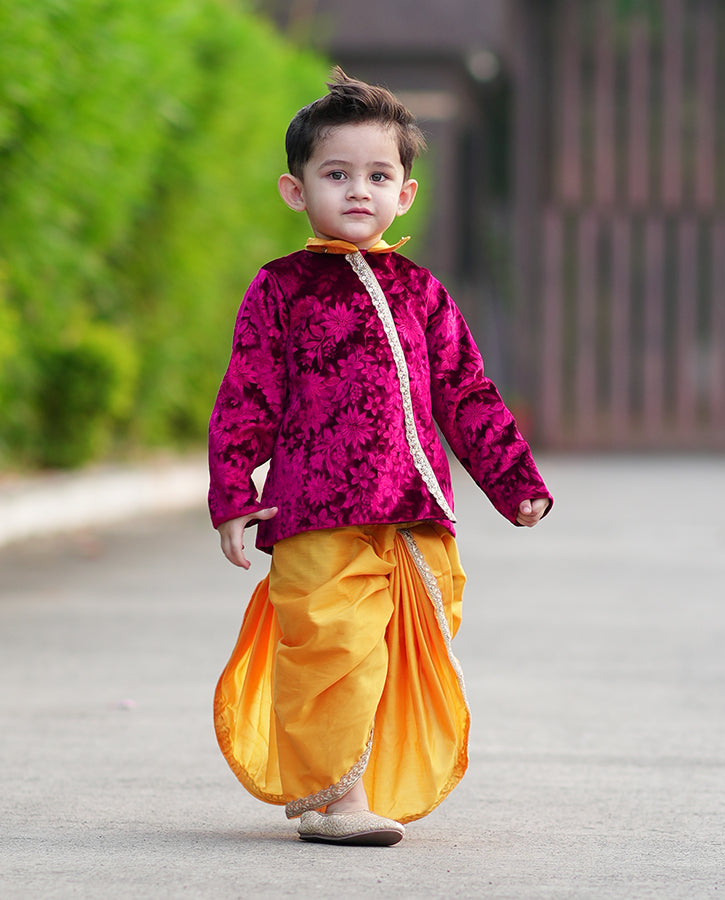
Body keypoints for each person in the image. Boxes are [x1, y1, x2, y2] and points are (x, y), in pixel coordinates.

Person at [208, 67, 552, 847]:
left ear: (406, 194)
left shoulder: (423, 293)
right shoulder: (281, 290)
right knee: (334, 648)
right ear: (297, 191)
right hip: (316, 513)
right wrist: (234, 494)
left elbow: (466, 392)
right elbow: (246, 396)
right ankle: (338, 801)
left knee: (393, 653)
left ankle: (357, 791)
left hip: (413, 512)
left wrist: (515, 482)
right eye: (337, 174)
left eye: (378, 175)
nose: (358, 190)